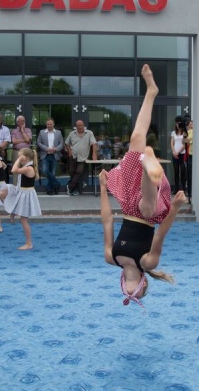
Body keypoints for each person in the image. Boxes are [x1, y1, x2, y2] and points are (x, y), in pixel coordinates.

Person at [98, 64, 186, 307]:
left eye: (127, 293)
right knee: (147, 208)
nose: (129, 292)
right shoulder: (148, 263)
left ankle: (151, 91)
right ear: (142, 283)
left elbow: (107, 221)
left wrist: (104, 189)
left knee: (136, 138)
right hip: (149, 214)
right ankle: (149, 165)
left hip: (128, 206)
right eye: (135, 293)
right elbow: (160, 234)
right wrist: (176, 208)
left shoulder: (111, 258)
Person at [0, 148, 41, 250]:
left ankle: (29, 243)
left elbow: (13, 170)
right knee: (1, 193)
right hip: (20, 190)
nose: (18, 159)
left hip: (26, 193)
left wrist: (18, 160)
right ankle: (13, 211)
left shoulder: (28, 168)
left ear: (24, 158)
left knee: (23, 219)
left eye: (20, 157)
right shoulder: (27, 167)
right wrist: (20, 158)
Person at [65, 120, 97, 196]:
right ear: (76, 127)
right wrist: (69, 151)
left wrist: (94, 154)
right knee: (72, 172)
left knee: (79, 171)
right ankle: (74, 190)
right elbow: (66, 143)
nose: (80, 127)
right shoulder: (72, 133)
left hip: (83, 157)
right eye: (78, 126)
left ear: (84, 125)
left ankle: (70, 186)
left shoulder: (89, 133)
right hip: (73, 156)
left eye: (81, 125)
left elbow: (94, 144)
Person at [36, 118, 65, 195]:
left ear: (53, 124)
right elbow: (38, 142)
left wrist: (56, 149)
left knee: (53, 173)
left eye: (50, 124)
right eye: (48, 124)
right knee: (45, 170)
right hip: (45, 155)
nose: (49, 125)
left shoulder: (58, 133)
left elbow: (61, 143)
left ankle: (50, 189)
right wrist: (46, 148)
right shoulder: (42, 132)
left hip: (55, 155)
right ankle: (56, 183)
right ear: (46, 125)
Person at [170, 117, 188, 194]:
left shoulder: (184, 133)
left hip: (181, 153)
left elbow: (184, 144)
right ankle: (176, 189)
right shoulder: (173, 133)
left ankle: (183, 188)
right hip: (175, 154)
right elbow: (172, 143)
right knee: (176, 171)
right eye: (177, 123)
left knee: (183, 171)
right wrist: (174, 152)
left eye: (179, 123)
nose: (178, 125)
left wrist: (178, 152)